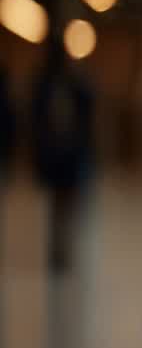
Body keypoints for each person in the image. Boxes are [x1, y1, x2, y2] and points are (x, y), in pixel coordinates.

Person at [32, 46, 95, 274]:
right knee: (56, 205)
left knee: (68, 204)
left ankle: (63, 248)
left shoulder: (78, 86)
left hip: (71, 155)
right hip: (53, 156)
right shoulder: (44, 85)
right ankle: (56, 249)